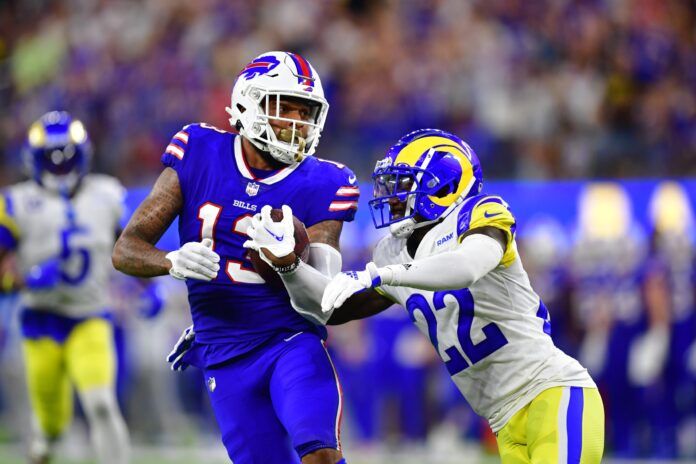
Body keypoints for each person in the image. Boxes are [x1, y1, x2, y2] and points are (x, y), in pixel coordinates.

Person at [248, 129, 605, 463]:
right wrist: (290, 267)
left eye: (404, 185)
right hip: (502, 421)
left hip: (552, 392)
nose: (393, 196)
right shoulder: (393, 251)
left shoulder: (480, 212)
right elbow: (331, 307)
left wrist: (383, 275)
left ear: (444, 186)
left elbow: (466, 266)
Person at [112, 51, 358, 464]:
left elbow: (323, 296)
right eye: (285, 108)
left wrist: (289, 264)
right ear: (249, 103)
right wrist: (171, 261)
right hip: (222, 350)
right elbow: (126, 249)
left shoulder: (325, 180)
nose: (297, 123)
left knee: (320, 454)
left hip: (288, 341)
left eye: (306, 111)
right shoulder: (199, 151)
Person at [0, 111, 131, 464]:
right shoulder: (15, 203)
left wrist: (148, 291)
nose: (60, 166)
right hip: (40, 322)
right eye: (52, 158)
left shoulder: (107, 195)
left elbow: (135, 251)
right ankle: (45, 440)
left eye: (67, 156)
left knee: (101, 404)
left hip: (90, 318)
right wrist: (22, 280)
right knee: (53, 423)